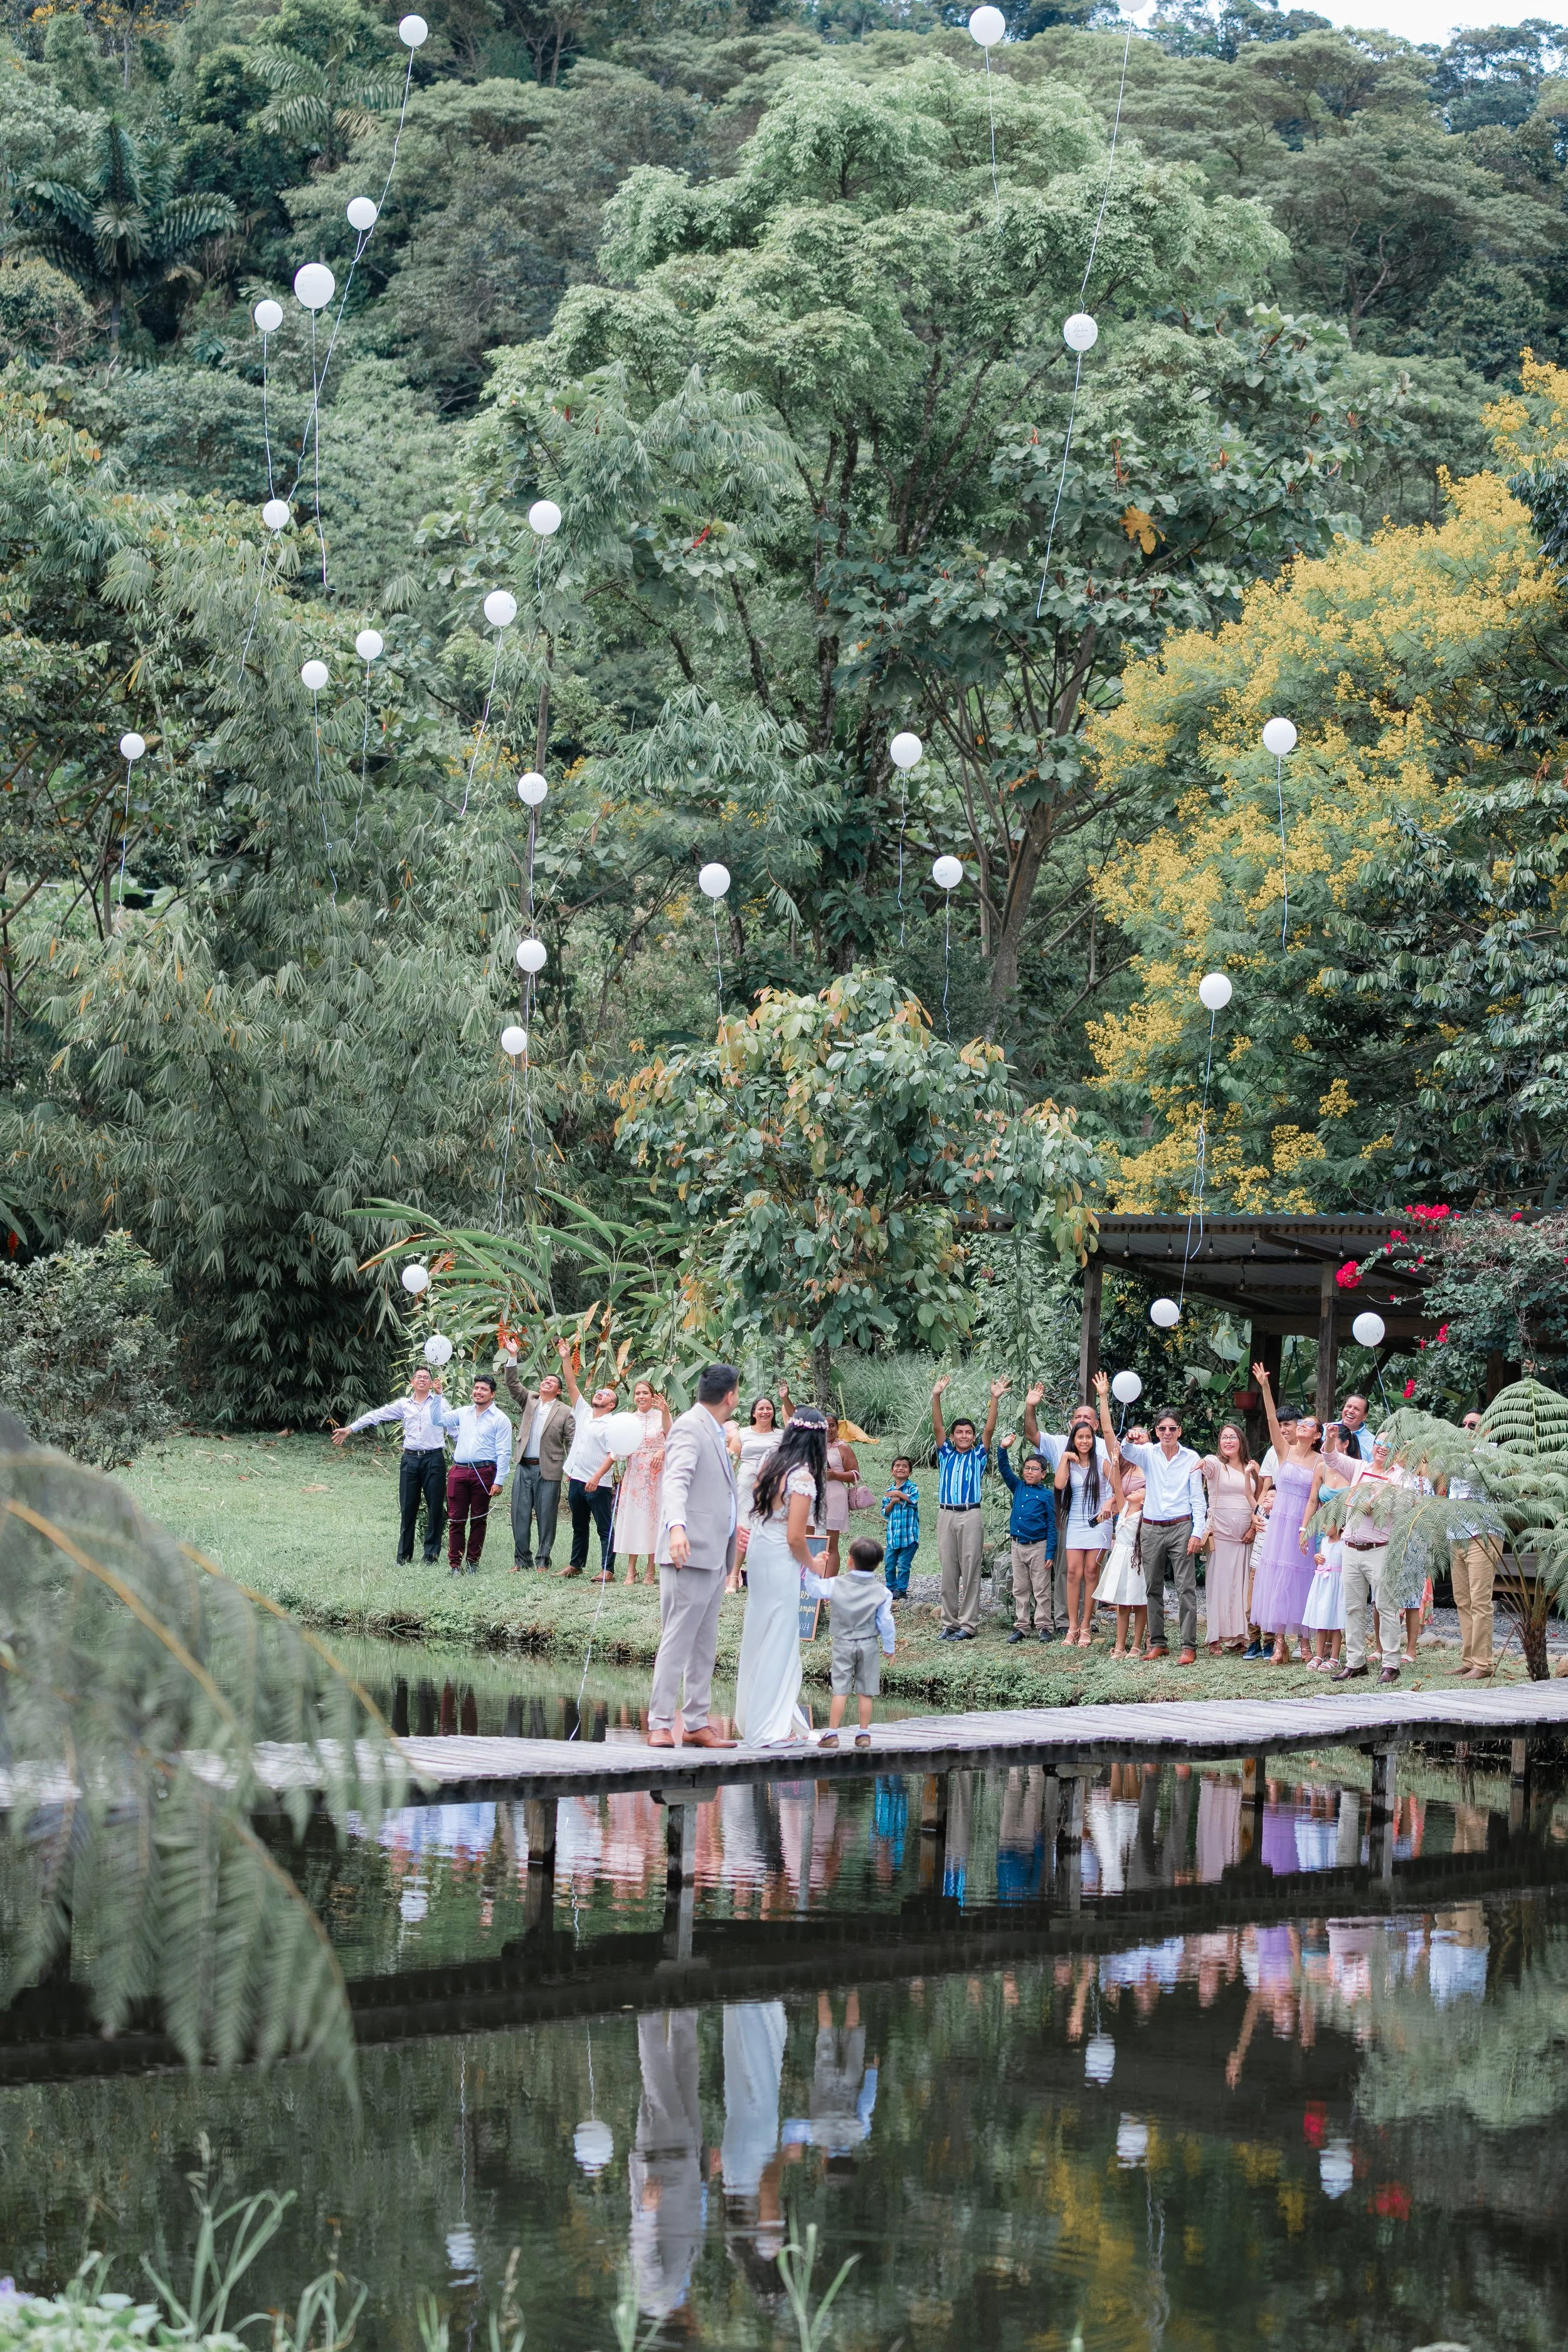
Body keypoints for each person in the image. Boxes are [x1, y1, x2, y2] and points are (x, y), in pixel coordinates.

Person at [650, 1363, 743, 1748]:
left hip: (714, 1552)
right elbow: (676, 1480)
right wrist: (677, 1527)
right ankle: (659, 1722)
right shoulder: (690, 1426)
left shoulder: (717, 1430)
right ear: (731, 1396)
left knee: (705, 1642)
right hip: (687, 1549)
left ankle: (696, 1722)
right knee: (677, 1639)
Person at [734, 1411, 826, 1746]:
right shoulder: (802, 1478)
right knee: (781, 1638)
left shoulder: (770, 1463)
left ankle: (767, 1720)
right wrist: (813, 1565)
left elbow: (760, 1514)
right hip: (780, 1557)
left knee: (761, 1632)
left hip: (760, 1551)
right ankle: (769, 1728)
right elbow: (796, 1538)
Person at [1101, 1379, 1209, 1664]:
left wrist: (1198, 1532)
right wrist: (1130, 1437)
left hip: (1181, 1526)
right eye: (1162, 1429)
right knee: (1152, 1587)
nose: (1167, 1433)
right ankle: (1158, 1643)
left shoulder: (1191, 1458)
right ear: (1156, 1431)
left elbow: (1198, 1499)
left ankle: (1188, 1646)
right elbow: (1125, 1452)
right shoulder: (1148, 1453)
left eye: (1172, 1428)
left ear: (1180, 1431)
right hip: (1150, 1527)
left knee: (1186, 1588)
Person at [629, 2010, 705, 2324]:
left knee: (657, 2071)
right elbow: (692, 2228)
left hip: (663, 2168)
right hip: (686, 2163)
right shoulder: (676, 2292)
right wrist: (705, 2181)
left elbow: (643, 2252)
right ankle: (684, 1993)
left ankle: (649, 2003)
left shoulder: (656, 2301)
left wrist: (647, 2211)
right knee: (686, 2064)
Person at [332, 1362, 449, 1564]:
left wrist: (439, 1396)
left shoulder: (440, 1402)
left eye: (426, 1378)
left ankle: (431, 1556)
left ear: (432, 1383)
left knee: (435, 1508)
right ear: (412, 1382)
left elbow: (452, 1423)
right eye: (419, 1377)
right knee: (408, 1507)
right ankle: (404, 1557)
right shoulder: (404, 1405)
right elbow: (376, 1415)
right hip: (410, 1460)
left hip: (434, 1459)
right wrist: (351, 1429)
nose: (422, 1380)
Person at [1248, 1364, 1321, 1664]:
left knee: (1301, 1579)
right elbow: (1270, 1419)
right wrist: (1265, 1388)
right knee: (1278, 1576)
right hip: (1280, 1522)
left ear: (1316, 1435)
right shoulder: (1283, 1451)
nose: (1301, 1425)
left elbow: (1317, 1498)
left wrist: (1307, 1528)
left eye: (1309, 1424)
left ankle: (1305, 1642)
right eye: (1301, 1422)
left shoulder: (1320, 1461)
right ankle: (1279, 1643)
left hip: (1303, 1524)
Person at [802, 1534, 896, 1747]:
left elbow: (814, 1589)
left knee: (840, 1690)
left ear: (850, 1561)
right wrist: (889, 1647)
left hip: (843, 1643)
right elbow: (886, 1622)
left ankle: (832, 1734)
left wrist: (813, 1568)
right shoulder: (882, 1592)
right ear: (877, 1565)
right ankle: (864, 1733)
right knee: (866, 1691)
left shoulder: (836, 1584)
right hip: (869, 1644)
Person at [930, 1373, 1004, 1643]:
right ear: (952, 1436)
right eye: (959, 1432)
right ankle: (949, 1623)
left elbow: (989, 1430)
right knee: (949, 1570)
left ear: (973, 1437)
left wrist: (994, 1399)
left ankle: (968, 1624)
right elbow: (937, 1426)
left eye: (968, 1433)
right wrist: (936, 1395)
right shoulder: (945, 1453)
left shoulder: (978, 1455)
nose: (964, 1436)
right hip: (946, 1514)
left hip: (970, 1514)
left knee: (971, 1569)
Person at [1334, 1432, 1406, 1684]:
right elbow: (1332, 1459)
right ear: (1373, 1446)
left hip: (1380, 1549)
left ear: (1398, 1451)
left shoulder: (1400, 1476)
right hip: (1351, 1547)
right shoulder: (1360, 1468)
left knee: (1386, 1607)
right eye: (1379, 1443)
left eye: (1390, 1445)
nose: (1383, 1448)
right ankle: (1355, 1663)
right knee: (1353, 1607)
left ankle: (1391, 1663)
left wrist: (1372, 1506)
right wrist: (1330, 1439)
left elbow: (1398, 1506)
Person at [500, 1346, 573, 1574]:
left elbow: (571, 1441)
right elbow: (513, 1384)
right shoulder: (529, 1400)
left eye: (552, 1381)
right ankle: (522, 1560)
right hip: (525, 1466)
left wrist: (572, 1468)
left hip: (549, 1469)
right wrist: (513, 1356)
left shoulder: (565, 1411)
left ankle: (543, 1561)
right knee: (520, 1514)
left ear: (559, 1391)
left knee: (547, 1516)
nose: (547, 1382)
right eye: (545, 1380)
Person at [435, 1370, 512, 1575]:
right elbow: (437, 1420)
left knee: (479, 1519)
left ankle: (472, 1562)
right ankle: (455, 1565)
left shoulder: (500, 1419)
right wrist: (438, 1397)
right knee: (456, 1520)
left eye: (484, 1389)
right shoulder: (463, 1413)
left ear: (492, 1394)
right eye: (476, 1388)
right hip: (459, 1471)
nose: (478, 1392)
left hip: (485, 1472)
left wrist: (499, 1480)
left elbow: (504, 1452)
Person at [556, 1337, 620, 1581]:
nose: (600, 1394)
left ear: (611, 1405)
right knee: (579, 1525)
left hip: (598, 1483)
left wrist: (596, 1477)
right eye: (600, 1392)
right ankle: (576, 1564)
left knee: (604, 1527)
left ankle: (607, 1569)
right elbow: (571, 1383)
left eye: (606, 1394)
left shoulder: (612, 1424)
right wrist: (565, 1358)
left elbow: (614, 1454)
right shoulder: (583, 1411)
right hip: (577, 1479)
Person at [1447, 1407, 1503, 1679]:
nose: (1466, 1429)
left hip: (1483, 1535)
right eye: (1464, 1424)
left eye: (1473, 1426)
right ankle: (1469, 1659)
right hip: (1456, 1535)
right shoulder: (1455, 1455)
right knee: (1463, 1601)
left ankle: (1484, 1663)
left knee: (1480, 1602)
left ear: (1486, 1430)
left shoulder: (1493, 1455)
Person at [1199, 1421, 1261, 1655]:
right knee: (1219, 1585)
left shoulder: (1251, 1467)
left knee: (1242, 1586)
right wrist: (1203, 1462)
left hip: (1246, 1537)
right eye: (1224, 1437)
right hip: (1222, 1535)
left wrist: (1253, 1529)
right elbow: (1208, 1464)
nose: (1228, 1441)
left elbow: (1258, 1498)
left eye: (1232, 1437)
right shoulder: (1217, 1464)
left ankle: (1239, 1637)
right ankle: (1215, 1637)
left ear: (1241, 1441)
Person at [1054, 1413, 1113, 1647]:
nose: (1085, 1441)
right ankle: (1072, 1628)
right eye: (1080, 1437)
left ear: (1093, 1439)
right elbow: (1059, 1484)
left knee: (1091, 1572)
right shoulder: (1069, 1462)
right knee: (1072, 1573)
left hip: (1099, 1522)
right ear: (1074, 1439)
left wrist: (1110, 1505)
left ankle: (1086, 1625)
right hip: (1076, 1523)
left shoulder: (1102, 1461)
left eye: (1088, 1437)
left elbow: (1117, 1489)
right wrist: (1064, 1459)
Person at [1300, 1422, 1355, 1670]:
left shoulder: (1354, 1469)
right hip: (1324, 1532)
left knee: (1339, 1604)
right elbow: (1313, 1500)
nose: (1327, 1446)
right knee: (1323, 1602)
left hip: (1346, 1532)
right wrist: (1304, 1530)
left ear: (1345, 1444)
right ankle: (1319, 1653)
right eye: (1326, 1441)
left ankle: (1336, 1655)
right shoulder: (1321, 1467)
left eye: (1333, 1440)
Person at [996, 1431, 1057, 1645]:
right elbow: (1004, 1469)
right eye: (1027, 1468)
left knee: (1041, 1589)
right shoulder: (1018, 1486)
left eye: (1035, 1469)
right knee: (1020, 1589)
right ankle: (1022, 1626)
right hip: (1018, 1546)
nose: (1030, 1472)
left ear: (1043, 1473)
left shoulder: (1047, 1495)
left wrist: (1050, 1552)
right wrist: (1003, 1448)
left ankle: (1044, 1626)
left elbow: (1052, 1525)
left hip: (1038, 1547)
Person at [730, 1391, 790, 1592]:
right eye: (761, 1409)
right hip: (746, 1486)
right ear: (754, 1413)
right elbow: (731, 1462)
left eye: (769, 1409)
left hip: (772, 1487)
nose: (765, 1412)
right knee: (744, 1530)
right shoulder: (743, 1434)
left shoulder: (781, 1435)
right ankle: (733, 1577)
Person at [615, 1378, 672, 1586]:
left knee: (654, 1519)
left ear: (652, 1395)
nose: (641, 1397)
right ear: (634, 1397)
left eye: (645, 1393)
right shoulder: (629, 1419)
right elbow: (620, 1449)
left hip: (658, 1474)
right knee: (635, 1518)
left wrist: (662, 1450)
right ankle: (631, 1569)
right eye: (638, 1393)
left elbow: (673, 1437)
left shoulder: (661, 1415)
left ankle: (651, 1568)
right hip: (636, 1475)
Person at [1093, 1451, 1147, 1658]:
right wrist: (1115, 1465)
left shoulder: (1145, 1515)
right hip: (1120, 1559)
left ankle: (1136, 1645)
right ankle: (1120, 1645)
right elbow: (1117, 1486)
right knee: (1122, 1604)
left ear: (1145, 1501)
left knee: (1140, 1603)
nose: (1135, 1490)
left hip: (1137, 1560)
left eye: (1140, 1490)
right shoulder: (1123, 1508)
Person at [823, 1421, 861, 1574]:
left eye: (832, 1425)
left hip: (834, 1497)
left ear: (837, 1428)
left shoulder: (843, 1447)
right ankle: (810, 1582)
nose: (828, 1429)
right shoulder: (810, 1445)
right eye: (824, 1425)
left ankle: (828, 1583)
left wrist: (836, 1475)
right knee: (810, 1540)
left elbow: (855, 1475)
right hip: (811, 1497)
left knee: (830, 1545)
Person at [881, 1456, 919, 1600]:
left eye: (905, 1466)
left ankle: (901, 1589)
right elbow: (885, 1512)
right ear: (892, 1471)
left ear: (910, 1472)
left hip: (909, 1536)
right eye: (897, 1466)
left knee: (903, 1565)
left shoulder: (913, 1488)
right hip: (893, 1537)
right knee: (889, 1564)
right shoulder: (889, 1491)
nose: (901, 1468)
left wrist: (899, 1494)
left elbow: (913, 1501)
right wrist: (892, 1502)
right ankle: (890, 1587)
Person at [1338, 1393, 1375, 1461]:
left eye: (1357, 1409)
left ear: (1364, 1416)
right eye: (1349, 1407)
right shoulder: (1327, 1429)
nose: (1351, 1411)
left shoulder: (1372, 1442)